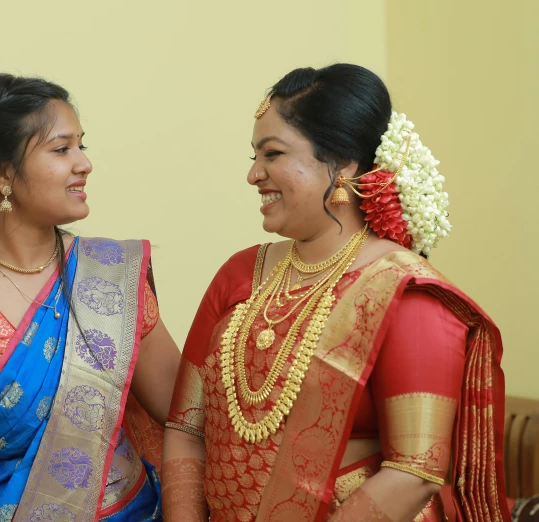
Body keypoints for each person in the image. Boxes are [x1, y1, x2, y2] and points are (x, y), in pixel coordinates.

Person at [161, 64, 509, 522]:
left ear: (343, 162)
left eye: (273, 154)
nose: (253, 175)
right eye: (254, 156)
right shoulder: (239, 274)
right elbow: (185, 428)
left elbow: (414, 472)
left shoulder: (408, 294)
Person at [0, 73, 179, 522]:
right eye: (61, 150)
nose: (84, 163)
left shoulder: (109, 276)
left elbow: (184, 409)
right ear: (2, 174)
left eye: (82, 145)